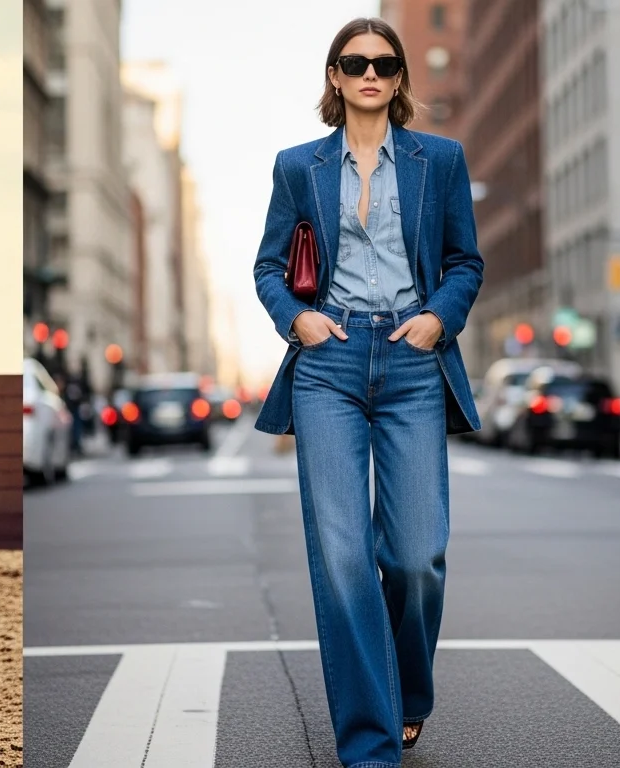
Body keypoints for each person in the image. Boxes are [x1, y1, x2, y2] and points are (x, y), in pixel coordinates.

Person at [251, 18, 483, 767]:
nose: (369, 74)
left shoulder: (438, 160)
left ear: (400, 76)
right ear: (335, 77)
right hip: (330, 363)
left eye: (383, 63)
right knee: (343, 558)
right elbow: (268, 267)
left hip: (413, 360)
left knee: (416, 555)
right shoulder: (299, 167)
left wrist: (437, 320)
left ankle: (405, 690)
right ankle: (370, 744)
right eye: (354, 63)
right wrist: (299, 321)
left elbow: (464, 261)